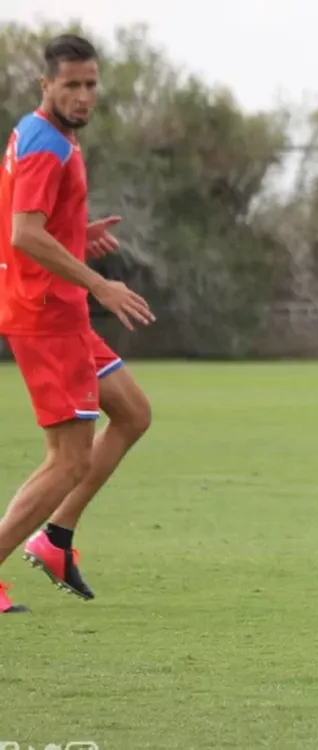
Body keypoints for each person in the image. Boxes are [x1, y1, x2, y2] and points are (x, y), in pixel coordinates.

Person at [0, 33, 154, 613]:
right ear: (47, 85)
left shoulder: (44, 135)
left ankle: (56, 536)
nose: (84, 95)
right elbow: (24, 233)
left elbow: (27, 224)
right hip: (45, 316)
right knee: (67, 459)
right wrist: (99, 282)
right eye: (72, 85)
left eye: (91, 84)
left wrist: (74, 240)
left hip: (54, 309)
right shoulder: (46, 145)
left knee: (133, 413)